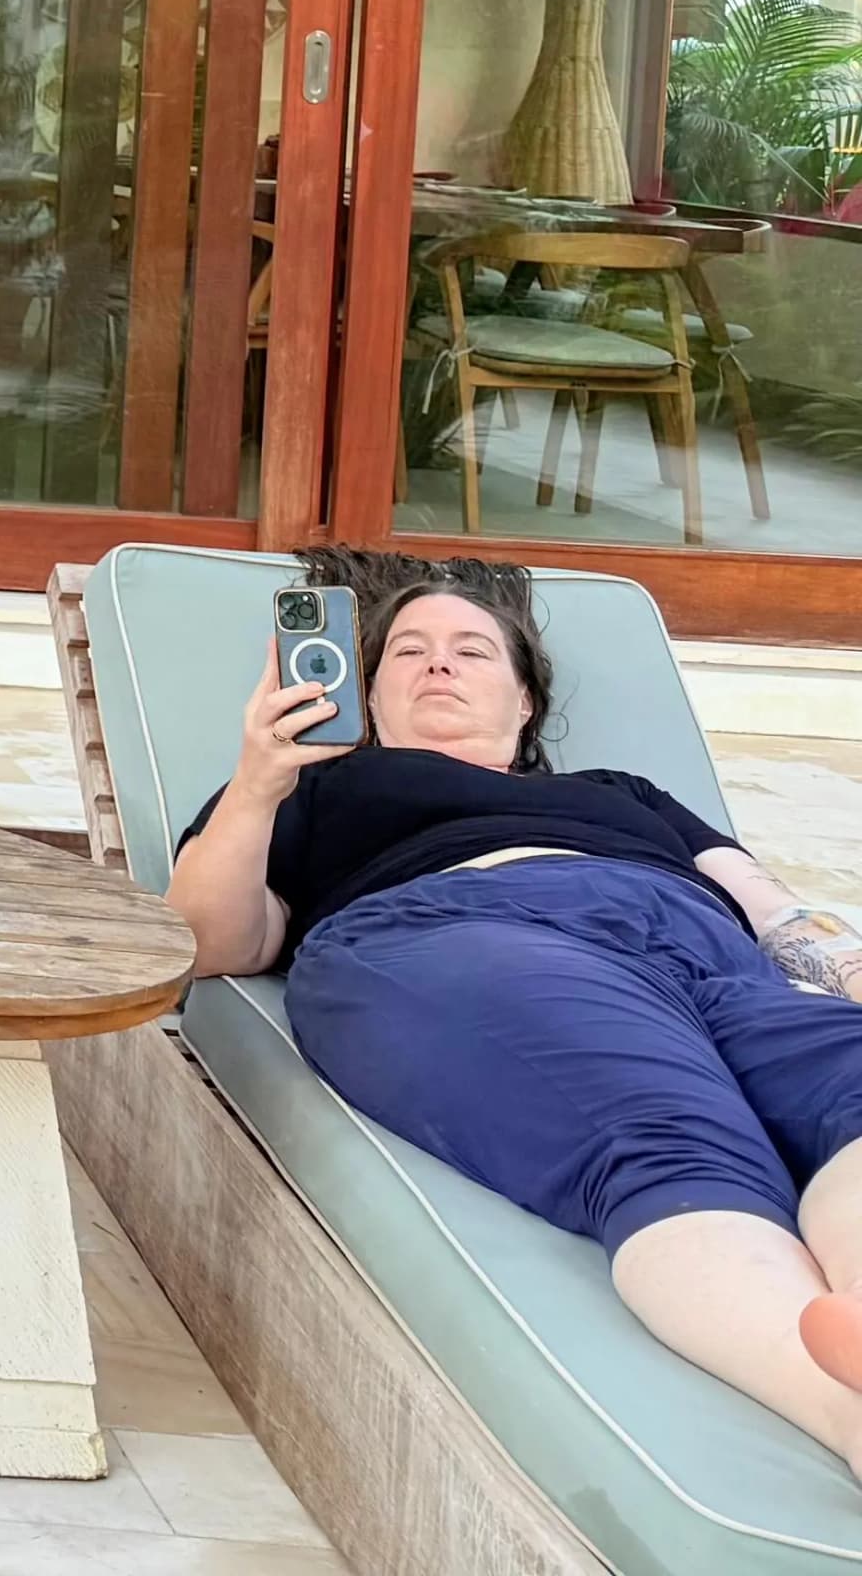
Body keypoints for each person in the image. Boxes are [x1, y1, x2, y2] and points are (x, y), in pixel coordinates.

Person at [168, 545, 862, 1473]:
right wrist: (259, 780)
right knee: (666, 1130)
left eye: (472, 649)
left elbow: (772, 908)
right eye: (407, 652)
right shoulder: (320, 784)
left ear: (525, 701)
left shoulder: (621, 794)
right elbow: (212, 943)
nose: (439, 662)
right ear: (369, 699)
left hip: (704, 952)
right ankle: (844, 1415)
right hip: (459, 930)